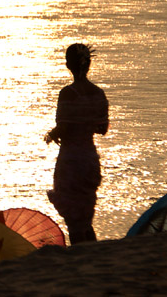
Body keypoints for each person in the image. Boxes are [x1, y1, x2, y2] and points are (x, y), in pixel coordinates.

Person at [44, 44, 109, 245]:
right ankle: (92, 252)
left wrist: (51, 135)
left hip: (70, 159)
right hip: (89, 157)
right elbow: (102, 128)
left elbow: (63, 127)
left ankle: (79, 252)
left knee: (73, 215)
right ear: (88, 64)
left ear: (68, 65)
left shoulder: (67, 93)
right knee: (86, 212)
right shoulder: (98, 93)